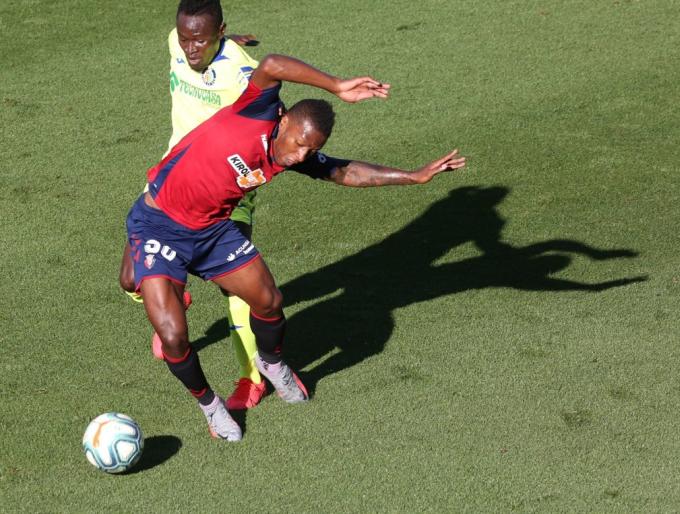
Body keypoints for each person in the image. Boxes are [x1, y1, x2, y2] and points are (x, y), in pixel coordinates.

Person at [120, 53, 466, 441]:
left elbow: (344, 171)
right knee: (173, 336)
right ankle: (211, 406)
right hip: (160, 224)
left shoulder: (286, 157)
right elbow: (271, 64)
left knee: (268, 301)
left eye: (309, 149)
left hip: (213, 231)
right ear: (283, 122)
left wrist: (413, 177)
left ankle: (271, 363)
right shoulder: (257, 108)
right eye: (300, 143)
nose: (301, 154)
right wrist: (336, 85)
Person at [119, 0, 269, 410]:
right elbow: (193, 43)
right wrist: (214, 42)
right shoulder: (177, 42)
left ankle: (251, 377)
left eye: (199, 39)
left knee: (235, 287)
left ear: (219, 30)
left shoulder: (241, 76)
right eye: (185, 38)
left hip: (225, 191)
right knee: (132, 280)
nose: (188, 48)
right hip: (170, 185)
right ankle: (177, 293)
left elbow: (273, 114)